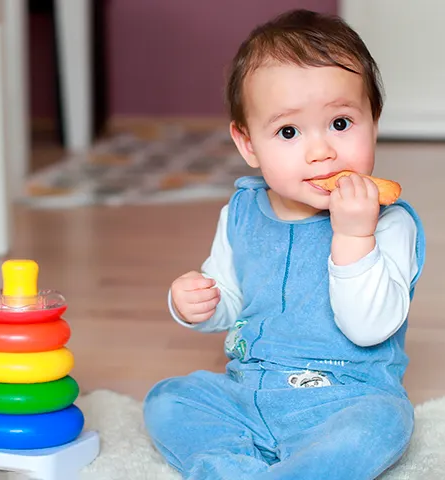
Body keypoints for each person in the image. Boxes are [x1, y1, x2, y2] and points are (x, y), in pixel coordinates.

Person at [142, 9, 426, 480]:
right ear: (248, 143)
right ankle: (224, 464)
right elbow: (232, 301)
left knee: (383, 424)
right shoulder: (240, 213)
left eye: (340, 123)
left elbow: (369, 327)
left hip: (345, 396)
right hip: (250, 391)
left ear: (373, 120)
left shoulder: (389, 223)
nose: (321, 151)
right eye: (289, 132)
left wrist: (355, 235)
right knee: (168, 400)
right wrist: (197, 302)